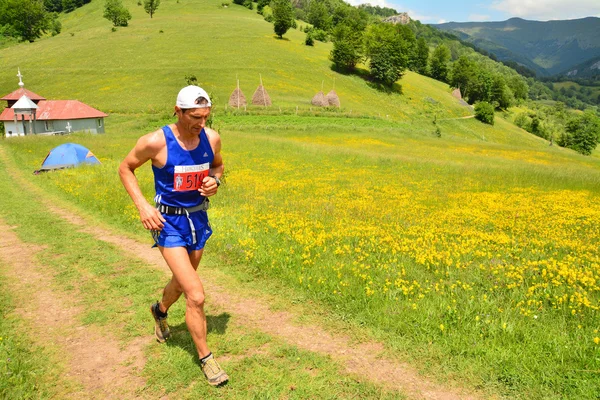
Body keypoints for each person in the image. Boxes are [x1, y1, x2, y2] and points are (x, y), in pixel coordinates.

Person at [118, 85, 228, 386]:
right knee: (196, 294)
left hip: (198, 220)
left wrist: (215, 181)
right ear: (177, 111)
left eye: (205, 117)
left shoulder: (212, 138)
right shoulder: (155, 141)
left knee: (181, 283)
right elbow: (125, 168)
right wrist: (143, 206)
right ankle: (207, 359)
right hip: (167, 224)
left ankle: (160, 310)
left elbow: (218, 165)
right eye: (194, 117)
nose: (200, 124)